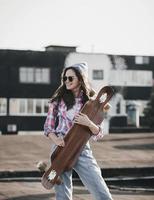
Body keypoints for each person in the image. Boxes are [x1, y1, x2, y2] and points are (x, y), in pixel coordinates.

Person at [44, 62, 113, 200]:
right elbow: (48, 127)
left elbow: (98, 133)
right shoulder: (57, 101)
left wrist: (88, 123)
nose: (67, 81)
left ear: (80, 79)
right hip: (61, 148)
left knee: (98, 186)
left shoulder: (92, 103)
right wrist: (56, 139)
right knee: (62, 193)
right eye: (65, 78)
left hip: (81, 148)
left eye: (71, 78)